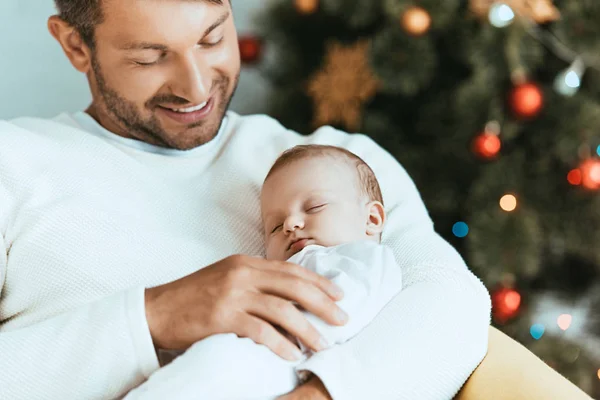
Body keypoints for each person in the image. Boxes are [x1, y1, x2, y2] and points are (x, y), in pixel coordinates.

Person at [0, 0, 492, 399]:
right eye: (150, 57)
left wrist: (322, 395)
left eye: (212, 37)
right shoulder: (13, 163)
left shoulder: (338, 167)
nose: (194, 86)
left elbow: (451, 301)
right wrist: (155, 318)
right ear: (75, 45)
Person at [125, 144, 405, 399]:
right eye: (274, 226)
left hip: (276, 361)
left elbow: (343, 312)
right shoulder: (271, 269)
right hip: (226, 357)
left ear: (372, 218)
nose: (291, 224)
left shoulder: (365, 258)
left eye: (314, 207)